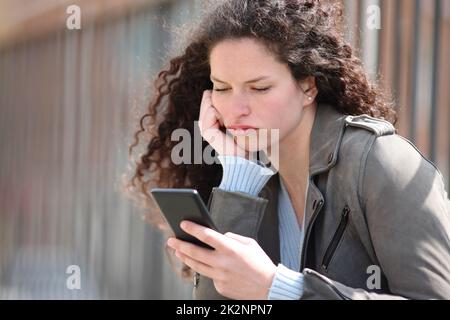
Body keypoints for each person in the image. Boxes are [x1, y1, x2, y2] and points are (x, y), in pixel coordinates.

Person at [126, 0, 450, 299]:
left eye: (260, 88)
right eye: (222, 88)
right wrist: (237, 174)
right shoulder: (254, 183)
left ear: (307, 86)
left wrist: (280, 288)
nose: (236, 108)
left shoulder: (380, 163)